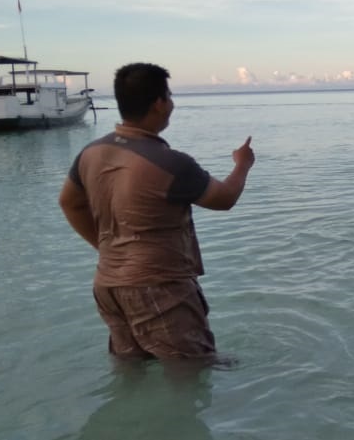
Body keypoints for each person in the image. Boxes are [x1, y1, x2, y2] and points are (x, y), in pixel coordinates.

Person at [58, 63, 255, 362]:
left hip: (108, 285)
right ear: (159, 103)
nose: (172, 103)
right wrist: (242, 164)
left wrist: (107, 248)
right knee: (190, 373)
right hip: (160, 288)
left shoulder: (90, 154)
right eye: (170, 96)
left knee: (131, 370)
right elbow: (224, 198)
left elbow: (69, 203)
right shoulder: (169, 163)